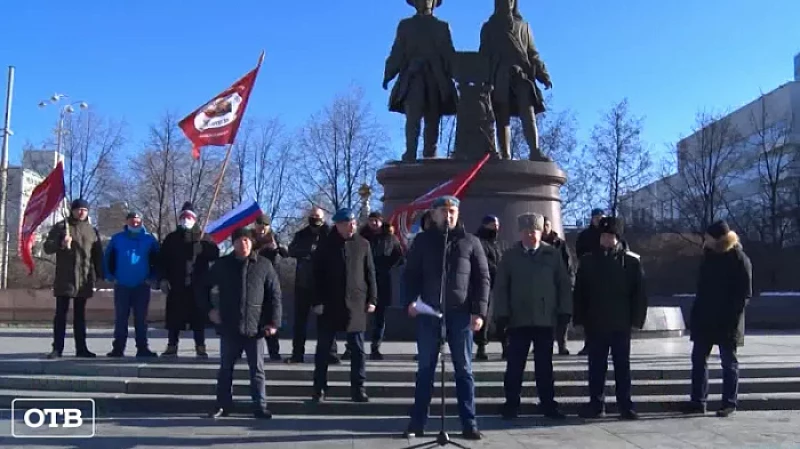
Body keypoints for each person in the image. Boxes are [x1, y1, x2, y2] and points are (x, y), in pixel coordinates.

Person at [403, 196, 490, 441]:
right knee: (426, 369)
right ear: (434, 214)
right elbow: (410, 275)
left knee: (464, 369)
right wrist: (410, 300)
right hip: (429, 313)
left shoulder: (470, 242)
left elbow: (482, 279)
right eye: (443, 211)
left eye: (452, 211)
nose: (448, 215)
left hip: (461, 315)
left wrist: (479, 312)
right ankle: (417, 423)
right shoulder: (422, 241)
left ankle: (469, 423)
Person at [494, 213, 571, 420]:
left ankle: (548, 404)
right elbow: (501, 288)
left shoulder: (552, 255)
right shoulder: (510, 256)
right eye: (527, 232)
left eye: (535, 231)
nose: (532, 235)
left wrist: (564, 311)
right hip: (518, 320)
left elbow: (563, 284)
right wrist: (501, 315)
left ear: (541, 232)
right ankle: (511, 404)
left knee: (544, 367)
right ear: (521, 233)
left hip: (545, 319)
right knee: (514, 366)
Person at [573, 217, 647, 420]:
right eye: (603, 236)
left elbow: (639, 294)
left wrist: (636, 320)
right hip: (595, 323)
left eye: (610, 236)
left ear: (617, 238)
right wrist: (579, 319)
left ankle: (625, 405)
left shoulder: (631, 261)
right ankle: (596, 404)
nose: (606, 239)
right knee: (596, 366)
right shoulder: (588, 261)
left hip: (620, 323)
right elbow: (580, 292)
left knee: (622, 366)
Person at [205, 227, 282, 419]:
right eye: (239, 241)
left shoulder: (264, 265)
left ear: (252, 242)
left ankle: (259, 405)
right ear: (233, 244)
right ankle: (222, 405)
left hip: (255, 327)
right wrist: (210, 310)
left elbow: (274, 296)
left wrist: (273, 322)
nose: (244, 244)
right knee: (225, 369)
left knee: (257, 370)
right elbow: (203, 288)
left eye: (247, 240)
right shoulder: (222, 265)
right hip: (230, 325)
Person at [683, 220, 752, 418]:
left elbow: (744, 294)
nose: (705, 240)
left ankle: (729, 402)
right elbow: (702, 289)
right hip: (705, 318)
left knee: (728, 362)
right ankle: (698, 400)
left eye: (708, 237)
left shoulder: (739, 258)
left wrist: (733, 318)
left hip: (727, 320)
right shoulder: (708, 256)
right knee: (698, 360)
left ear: (718, 238)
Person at [310, 208, 378, 403]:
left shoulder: (363, 244)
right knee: (324, 349)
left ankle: (358, 388)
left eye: (354, 223)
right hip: (330, 304)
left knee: (357, 349)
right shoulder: (325, 245)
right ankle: (319, 388)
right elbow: (316, 276)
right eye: (348, 223)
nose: (352, 226)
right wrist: (317, 301)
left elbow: (370, 274)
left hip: (356, 303)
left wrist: (372, 299)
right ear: (338, 225)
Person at [383, 0, 458, 161]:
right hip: (413, 77)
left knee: (433, 118)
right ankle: (410, 151)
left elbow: (450, 55)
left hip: (435, 79)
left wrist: (462, 73)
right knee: (413, 117)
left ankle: (430, 153)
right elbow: (397, 52)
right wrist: (388, 74)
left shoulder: (442, 27)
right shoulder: (406, 26)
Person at [479, 0, 553, 160]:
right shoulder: (489, 28)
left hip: (521, 76)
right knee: (501, 115)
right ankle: (505, 155)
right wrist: (484, 82)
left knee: (528, 111)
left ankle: (535, 150)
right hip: (499, 76)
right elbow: (483, 57)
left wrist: (542, 74)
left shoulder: (524, 26)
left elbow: (533, 54)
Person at [43, 199, 104, 359]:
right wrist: (61, 244)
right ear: (73, 210)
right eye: (78, 209)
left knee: (80, 316)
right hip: (65, 279)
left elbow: (97, 255)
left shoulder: (92, 231)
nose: (81, 212)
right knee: (61, 316)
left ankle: (81, 348)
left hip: (84, 279)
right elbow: (47, 247)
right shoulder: (62, 227)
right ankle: (57, 349)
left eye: (84, 209)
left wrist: (100, 275)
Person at [159, 202, 219, 358]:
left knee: (198, 316)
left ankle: (200, 346)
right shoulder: (171, 238)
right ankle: (172, 345)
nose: (186, 219)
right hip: (177, 284)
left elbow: (215, 254)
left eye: (189, 216)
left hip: (197, 284)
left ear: (195, 219)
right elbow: (162, 260)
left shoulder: (203, 236)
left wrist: (204, 249)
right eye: (184, 216)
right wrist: (163, 279)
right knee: (174, 317)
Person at [286, 206, 339, 364]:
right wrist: (308, 252)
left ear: (323, 218)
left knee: (327, 321)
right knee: (300, 322)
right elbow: (292, 250)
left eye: (317, 216)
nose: (315, 219)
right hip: (304, 283)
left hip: (324, 284)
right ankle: (297, 354)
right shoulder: (301, 234)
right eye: (312, 216)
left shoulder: (330, 233)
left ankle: (330, 352)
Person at [104, 211, 160, 358]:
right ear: (126, 222)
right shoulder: (117, 239)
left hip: (142, 284)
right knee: (121, 318)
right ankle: (118, 349)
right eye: (131, 221)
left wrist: (152, 277)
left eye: (137, 221)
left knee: (141, 319)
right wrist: (110, 276)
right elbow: (107, 258)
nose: (134, 223)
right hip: (122, 284)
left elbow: (158, 260)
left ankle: (142, 348)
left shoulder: (149, 239)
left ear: (141, 222)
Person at [359, 211, 404, 360]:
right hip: (363, 279)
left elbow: (399, 256)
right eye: (371, 220)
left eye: (376, 221)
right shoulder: (361, 237)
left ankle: (375, 347)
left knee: (380, 317)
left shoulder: (390, 238)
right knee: (359, 315)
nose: (373, 223)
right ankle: (353, 347)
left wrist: (387, 267)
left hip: (382, 280)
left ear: (381, 222)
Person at [253, 213, 289, 361]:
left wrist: (279, 248)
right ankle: (254, 351)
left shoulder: (274, 238)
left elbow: (286, 254)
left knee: (271, 316)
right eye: (259, 225)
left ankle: (274, 351)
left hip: (271, 280)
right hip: (254, 281)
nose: (262, 228)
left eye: (265, 225)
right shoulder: (251, 239)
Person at [574, 207, 605, 355]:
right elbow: (579, 252)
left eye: (601, 217)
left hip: (605, 278)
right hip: (589, 277)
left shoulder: (607, 233)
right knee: (589, 314)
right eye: (596, 217)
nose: (598, 219)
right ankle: (588, 343)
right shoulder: (585, 235)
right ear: (592, 219)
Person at [542, 216, 575, 355]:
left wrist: (569, 284)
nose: (545, 228)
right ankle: (544, 344)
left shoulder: (560, 244)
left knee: (562, 318)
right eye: (542, 225)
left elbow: (569, 266)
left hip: (560, 285)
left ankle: (562, 345)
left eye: (547, 225)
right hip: (542, 286)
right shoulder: (536, 245)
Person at [473, 215, 503, 361]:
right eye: (493, 224)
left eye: (497, 224)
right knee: (484, 315)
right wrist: (498, 270)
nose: (496, 227)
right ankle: (481, 346)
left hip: (497, 284)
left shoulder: (496, 243)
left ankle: (505, 344)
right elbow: (483, 262)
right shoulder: (479, 241)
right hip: (484, 284)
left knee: (501, 316)